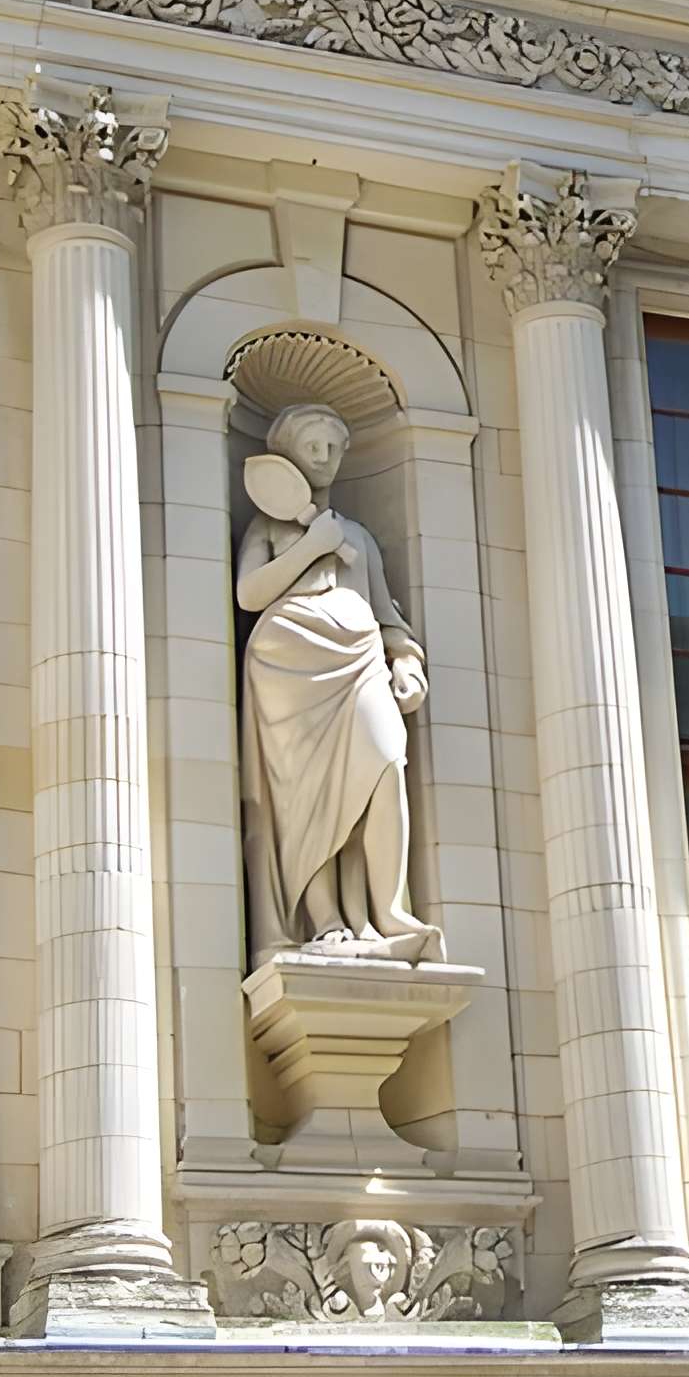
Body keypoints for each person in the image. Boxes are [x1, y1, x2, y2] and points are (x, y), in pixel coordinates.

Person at [235, 402, 439, 962]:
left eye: (332, 448)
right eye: (311, 447)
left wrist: (407, 664)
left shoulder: (361, 538)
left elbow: (387, 617)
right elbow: (249, 595)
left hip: (360, 661)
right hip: (286, 669)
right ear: (288, 456)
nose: (323, 458)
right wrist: (311, 545)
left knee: (386, 763)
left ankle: (388, 911)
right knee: (304, 794)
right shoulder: (270, 525)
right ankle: (323, 920)